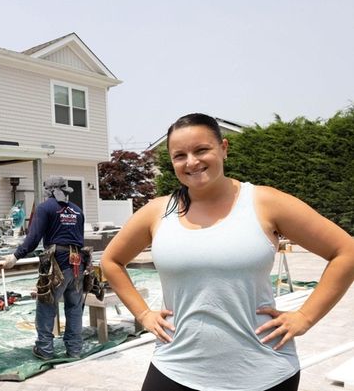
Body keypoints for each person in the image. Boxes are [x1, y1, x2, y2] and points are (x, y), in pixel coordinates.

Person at [101, 113, 354, 391]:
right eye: (179, 155)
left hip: (262, 371)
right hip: (175, 367)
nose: (192, 162)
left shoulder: (265, 202)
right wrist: (144, 314)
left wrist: (305, 317)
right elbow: (111, 261)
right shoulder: (157, 211)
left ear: (224, 148)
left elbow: (346, 251)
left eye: (201, 150)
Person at [1, 176, 87, 360]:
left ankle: (45, 349)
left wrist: (15, 256)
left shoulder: (46, 208)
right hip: (78, 263)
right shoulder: (77, 210)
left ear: (49, 191)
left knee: (46, 304)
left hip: (57, 263)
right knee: (74, 307)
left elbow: (33, 238)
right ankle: (74, 350)